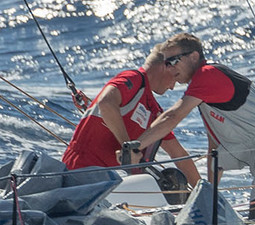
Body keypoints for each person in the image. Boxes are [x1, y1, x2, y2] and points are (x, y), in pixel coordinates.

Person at [132, 33, 255, 225]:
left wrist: (135, 146)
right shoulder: (204, 90)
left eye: (173, 61)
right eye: (166, 63)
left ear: (194, 56)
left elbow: (172, 116)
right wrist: (211, 192)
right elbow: (214, 148)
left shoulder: (207, 75)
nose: (169, 68)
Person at [63, 44, 199, 185]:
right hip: (82, 173)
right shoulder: (133, 79)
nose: (172, 87)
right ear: (165, 66)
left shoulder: (154, 110)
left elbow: (179, 155)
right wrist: (127, 147)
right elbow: (106, 103)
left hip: (110, 183)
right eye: (175, 78)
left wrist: (206, 194)